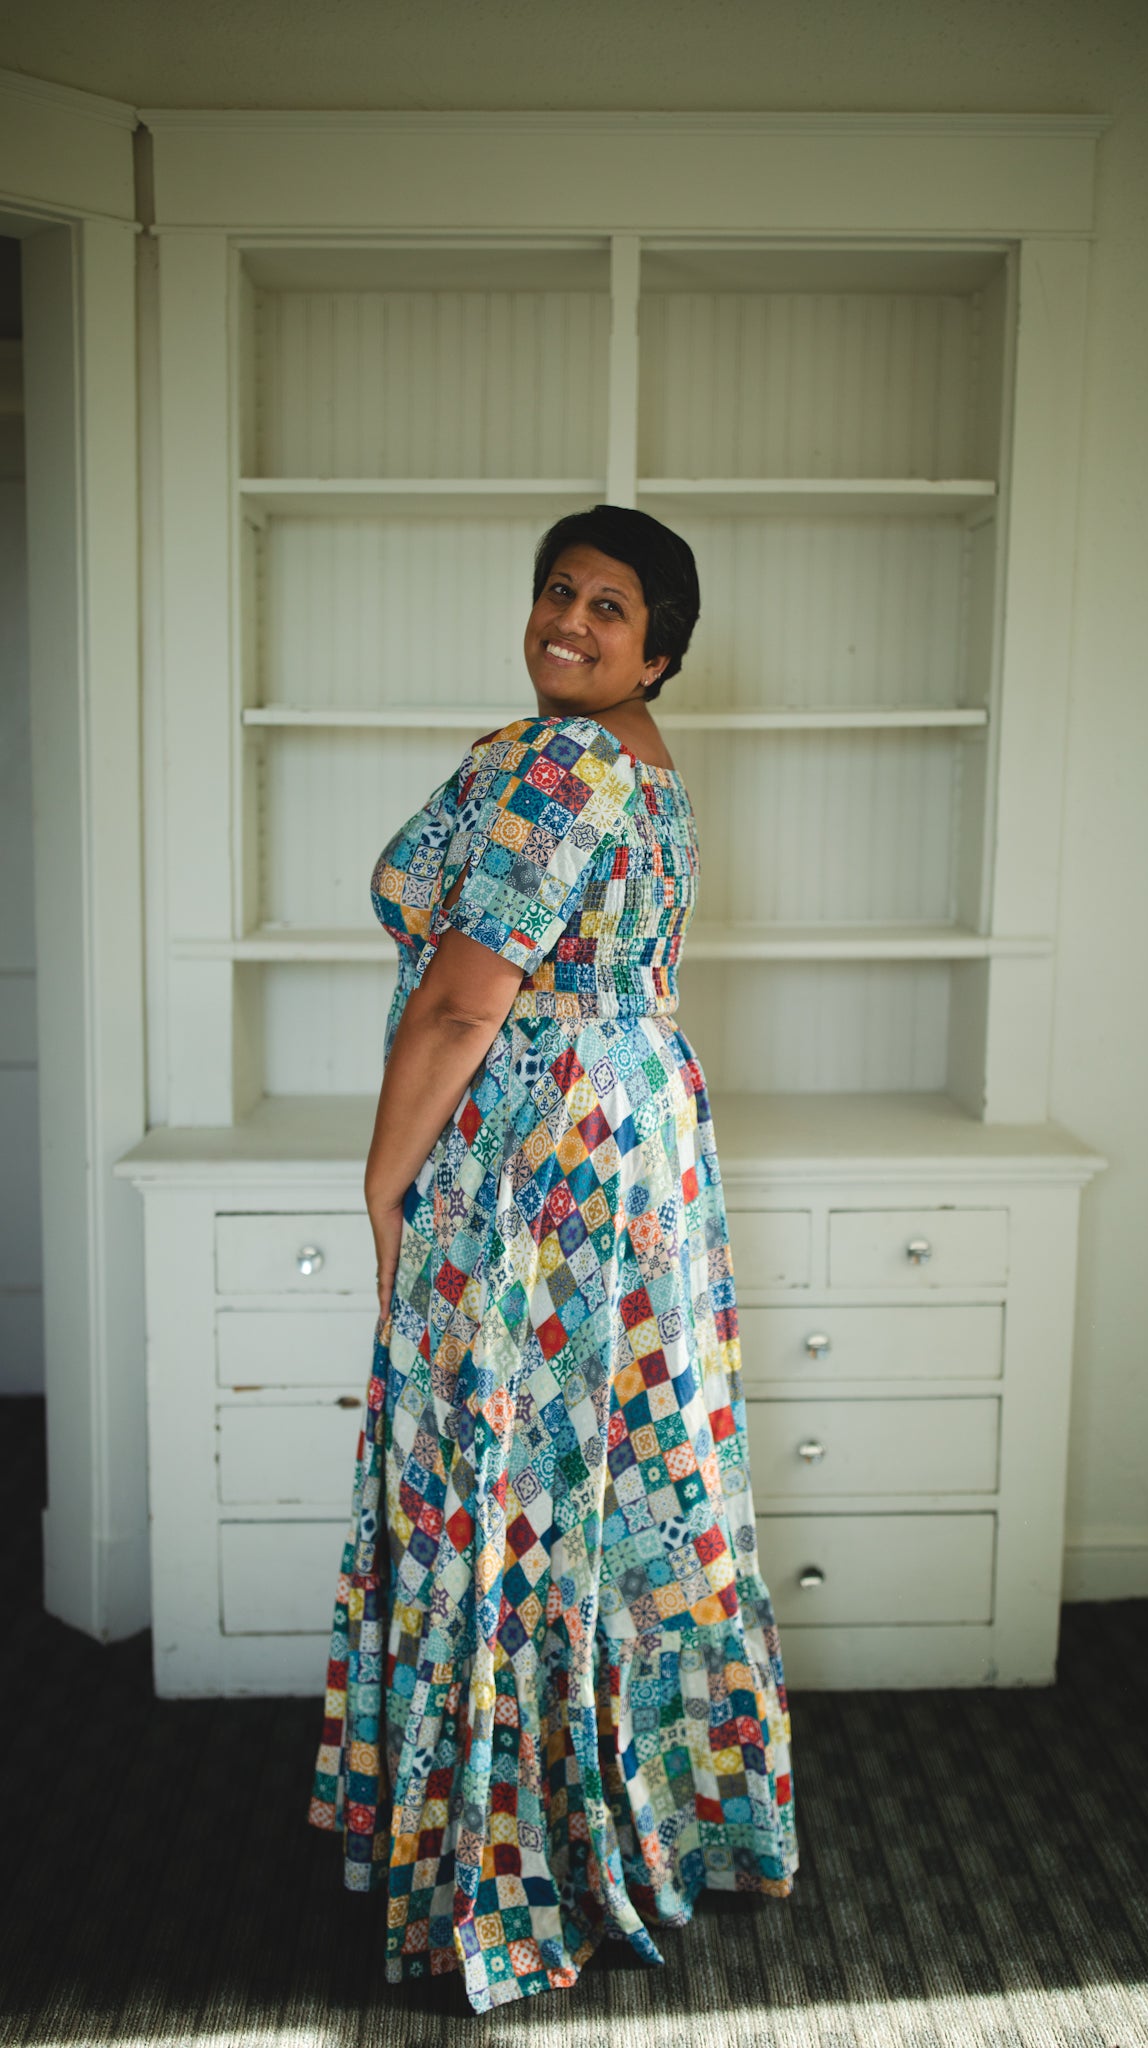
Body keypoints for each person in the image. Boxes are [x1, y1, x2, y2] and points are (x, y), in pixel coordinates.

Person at [308, 504, 797, 2012]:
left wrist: (383, 1184)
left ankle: (515, 1860)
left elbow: (463, 1004)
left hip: (533, 1156)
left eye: (609, 605)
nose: (569, 620)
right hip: (634, 1133)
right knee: (608, 1480)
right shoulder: (640, 769)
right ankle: (628, 1822)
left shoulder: (556, 762)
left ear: (662, 650)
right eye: (555, 590)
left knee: (505, 1477)